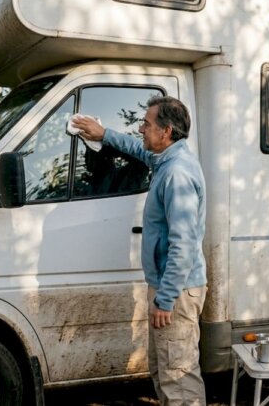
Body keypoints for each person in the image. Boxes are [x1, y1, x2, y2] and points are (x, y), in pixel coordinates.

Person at [72, 96, 207, 405]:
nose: (141, 129)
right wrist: (103, 134)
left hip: (177, 291)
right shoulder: (167, 159)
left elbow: (183, 244)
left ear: (167, 131)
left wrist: (166, 298)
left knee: (179, 376)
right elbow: (138, 150)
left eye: (146, 124)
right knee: (165, 370)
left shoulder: (177, 173)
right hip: (168, 287)